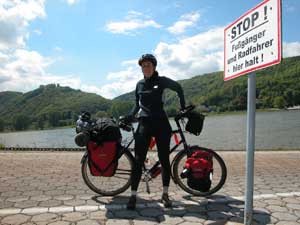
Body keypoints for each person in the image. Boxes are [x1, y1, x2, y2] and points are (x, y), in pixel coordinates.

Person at [125, 53, 186, 210]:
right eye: (143, 65)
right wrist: (129, 116)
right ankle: (133, 196)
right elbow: (136, 105)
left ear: (154, 66)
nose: (146, 68)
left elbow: (179, 88)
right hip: (144, 124)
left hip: (161, 124)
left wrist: (182, 107)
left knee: (164, 160)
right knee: (138, 161)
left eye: (148, 65)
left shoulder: (162, 81)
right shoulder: (139, 84)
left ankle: (165, 194)